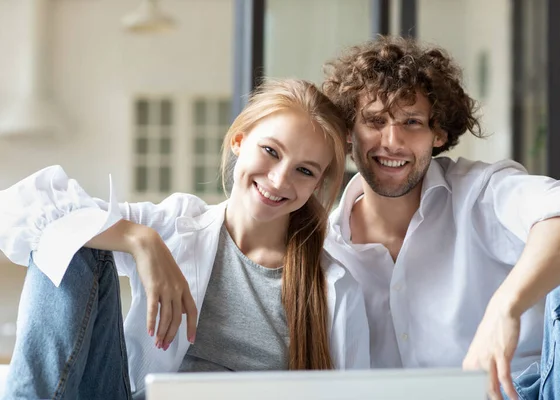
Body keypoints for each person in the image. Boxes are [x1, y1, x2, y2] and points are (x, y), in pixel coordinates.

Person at [0, 79, 370, 400]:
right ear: (240, 141)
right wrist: (140, 240)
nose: (278, 180)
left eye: (304, 171)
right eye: (271, 151)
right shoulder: (175, 225)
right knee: (79, 238)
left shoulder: (335, 287)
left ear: (317, 185)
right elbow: (18, 208)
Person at [321, 36, 560, 400]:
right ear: (347, 132)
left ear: (438, 134)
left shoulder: (479, 192)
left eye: (412, 122)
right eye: (375, 121)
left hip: (537, 389)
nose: (392, 140)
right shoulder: (325, 246)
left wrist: (505, 307)